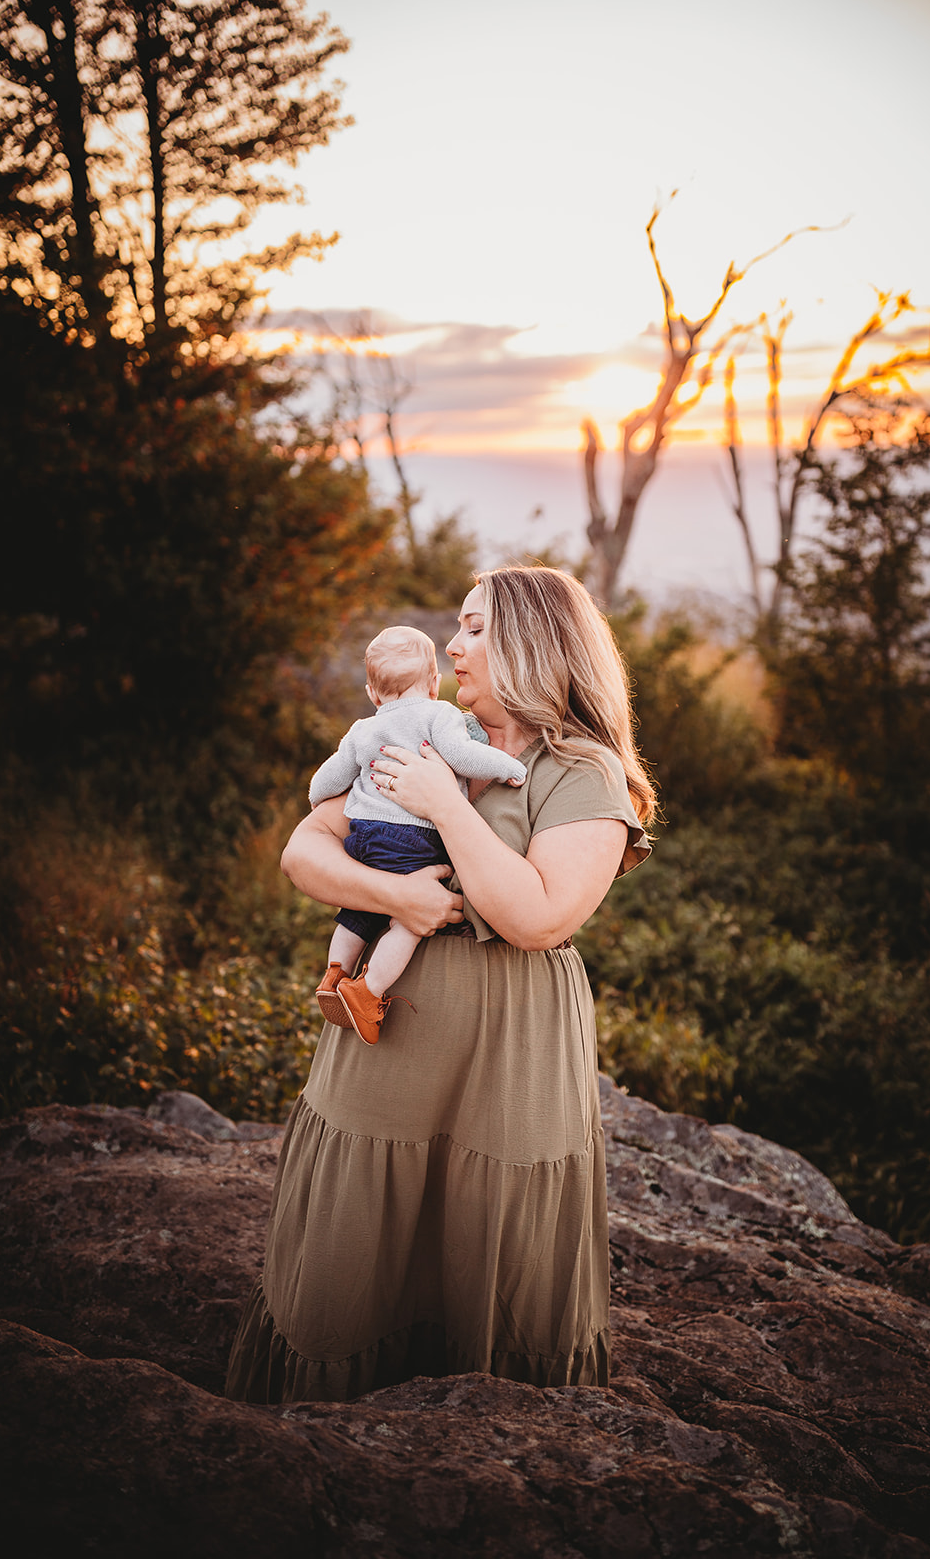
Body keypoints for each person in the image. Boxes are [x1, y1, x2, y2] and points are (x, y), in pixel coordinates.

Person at [225, 566, 655, 1405]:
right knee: (357, 1226)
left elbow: (536, 917)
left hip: (510, 1045)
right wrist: (397, 896)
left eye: (473, 629)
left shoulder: (584, 772)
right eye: (454, 630)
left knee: (490, 1225)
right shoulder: (412, 731)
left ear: (533, 642)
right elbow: (304, 851)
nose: (452, 647)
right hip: (392, 1025)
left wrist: (443, 805)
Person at [308, 624, 527, 1044]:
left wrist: (317, 799)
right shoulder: (438, 714)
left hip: (364, 837)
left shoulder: (362, 729)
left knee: (362, 910)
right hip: (415, 839)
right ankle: (366, 993)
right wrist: (508, 767)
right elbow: (464, 756)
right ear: (433, 683)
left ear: (373, 693)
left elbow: (327, 779)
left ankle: (334, 973)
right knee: (407, 922)